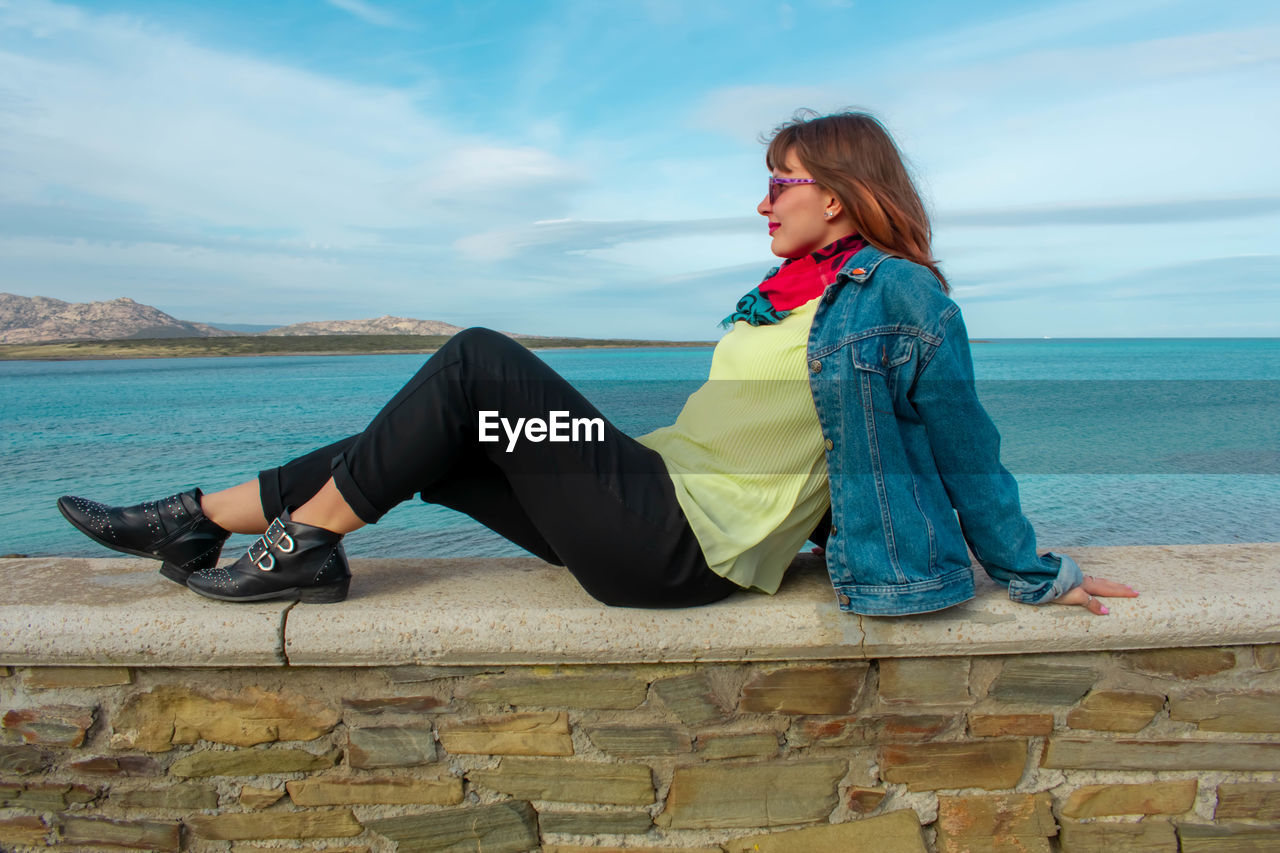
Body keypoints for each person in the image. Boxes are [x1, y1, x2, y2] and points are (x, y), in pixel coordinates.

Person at [57, 110, 1136, 616]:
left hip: (680, 546)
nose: (761, 201)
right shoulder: (772, 295)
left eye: (779, 182)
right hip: (649, 495)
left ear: (841, 195)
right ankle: (195, 518)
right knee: (430, 436)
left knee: (478, 360)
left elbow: (962, 448)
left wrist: (1032, 571)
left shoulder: (900, 298)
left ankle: (293, 546)